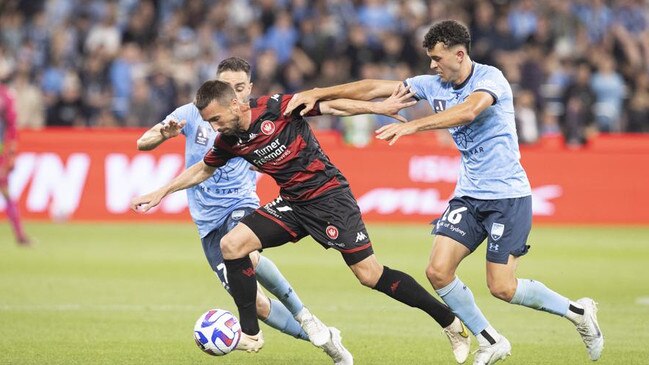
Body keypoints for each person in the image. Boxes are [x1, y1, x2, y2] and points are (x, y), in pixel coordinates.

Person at [284, 20, 604, 365]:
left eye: (437, 58)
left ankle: (578, 312)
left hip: (507, 195)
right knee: (437, 270)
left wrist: (413, 126)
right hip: (468, 194)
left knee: (502, 287)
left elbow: (468, 111)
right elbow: (375, 88)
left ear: (459, 54)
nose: (432, 66)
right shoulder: (432, 84)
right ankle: (490, 339)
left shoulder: (490, 79)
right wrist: (320, 93)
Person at [131, 80, 472, 363]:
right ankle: (250, 333)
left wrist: (378, 107)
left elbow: (331, 102)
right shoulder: (229, 140)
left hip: (329, 199)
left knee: (370, 275)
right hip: (292, 204)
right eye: (210, 123)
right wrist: (162, 191)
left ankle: (449, 321)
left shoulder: (277, 108)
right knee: (232, 244)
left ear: (236, 104)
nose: (214, 127)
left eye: (217, 119)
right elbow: (204, 168)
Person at [135, 57, 351, 363]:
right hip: (207, 222)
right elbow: (143, 142)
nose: (233, 94)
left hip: (240, 202)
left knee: (245, 251)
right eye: (226, 87)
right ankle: (327, 339)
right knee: (258, 305)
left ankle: (303, 315)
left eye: (239, 88)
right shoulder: (191, 114)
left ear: (248, 88)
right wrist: (163, 135)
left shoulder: (251, 118)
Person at [0, 79, 30, 246]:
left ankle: (19, 234)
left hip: (0, 154)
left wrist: (10, 154)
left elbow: (12, 127)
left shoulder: (5, 95)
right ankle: (20, 235)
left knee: (6, 192)